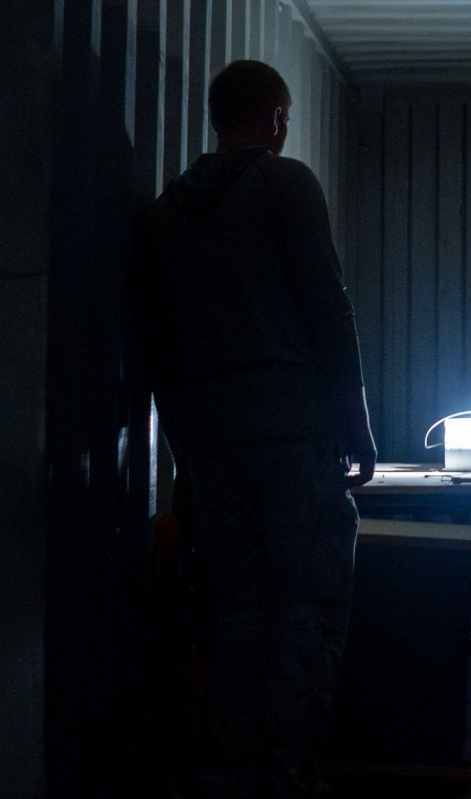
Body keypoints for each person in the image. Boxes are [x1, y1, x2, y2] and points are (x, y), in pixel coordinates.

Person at [130, 59, 377, 798]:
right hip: (292, 438)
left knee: (238, 613)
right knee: (307, 607)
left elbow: (154, 342)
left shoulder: (163, 216)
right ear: (275, 116)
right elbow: (328, 311)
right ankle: (292, 773)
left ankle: (231, 775)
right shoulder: (284, 184)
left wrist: (189, 448)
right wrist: (357, 425)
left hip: (213, 445)